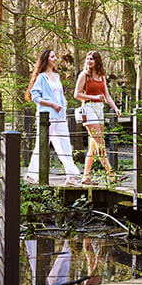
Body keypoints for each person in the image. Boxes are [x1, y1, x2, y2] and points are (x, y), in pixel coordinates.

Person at [24, 48, 82, 185]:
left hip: (60, 116)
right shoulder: (41, 77)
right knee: (42, 144)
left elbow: (60, 95)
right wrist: (52, 104)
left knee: (65, 145)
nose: (55, 58)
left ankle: (71, 177)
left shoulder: (56, 76)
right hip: (46, 116)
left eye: (55, 56)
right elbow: (35, 97)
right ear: (46, 59)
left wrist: (63, 103)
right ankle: (32, 176)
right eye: (52, 56)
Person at [74, 50, 121, 185]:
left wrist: (115, 108)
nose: (89, 61)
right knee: (100, 142)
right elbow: (76, 94)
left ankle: (85, 177)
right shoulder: (84, 76)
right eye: (88, 59)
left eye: (92, 59)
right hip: (88, 109)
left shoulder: (101, 76)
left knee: (94, 147)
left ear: (97, 61)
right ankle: (111, 174)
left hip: (100, 110)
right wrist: (93, 97)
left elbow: (107, 95)